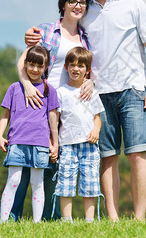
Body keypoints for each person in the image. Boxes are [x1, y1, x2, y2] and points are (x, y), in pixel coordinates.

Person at [25, 0, 146, 221]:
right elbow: (63, 28)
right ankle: (112, 218)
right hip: (97, 95)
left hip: (133, 89)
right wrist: (33, 34)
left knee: (137, 155)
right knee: (107, 157)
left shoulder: (134, 4)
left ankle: (139, 219)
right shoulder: (84, 8)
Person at [14, 0, 94, 221]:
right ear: (63, 4)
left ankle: (51, 216)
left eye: (81, 2)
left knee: (56, 161)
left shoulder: (86, 38)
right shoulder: (47, 30)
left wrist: (91, 82)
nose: (77, 6)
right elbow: (23, 61)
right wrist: (27, 84)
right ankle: (13, 215)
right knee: (27, 161)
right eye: (72, 1)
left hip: (70, 109)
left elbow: (88, 69)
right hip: (40, 103)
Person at [0, 45, 60, 223]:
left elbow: (52, 119)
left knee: (37, 183)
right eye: (31, 65)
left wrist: (55, 143)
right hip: (17, 141)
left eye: (40, 66)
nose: (35, 69)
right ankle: (3, 221)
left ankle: (37, 223)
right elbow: (5, 114)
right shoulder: (15, 88)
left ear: (46, 67)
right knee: (14, 179)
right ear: (25, 64)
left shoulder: (50, 90)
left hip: (40, 143)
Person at [54, 47, 104, 222]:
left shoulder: (92, 92)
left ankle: (89, 221)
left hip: (89, 145)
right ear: (66, 67)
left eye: (81, 66)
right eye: (73, 65)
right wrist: (55, 143)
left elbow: (97, 118)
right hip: (67, 144)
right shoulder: (60, 92)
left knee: (90, 183)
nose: (76, 69)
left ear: (88, 70)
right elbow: (55, 120)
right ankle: (66, 220)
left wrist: (96, 130)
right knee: (65, 183)